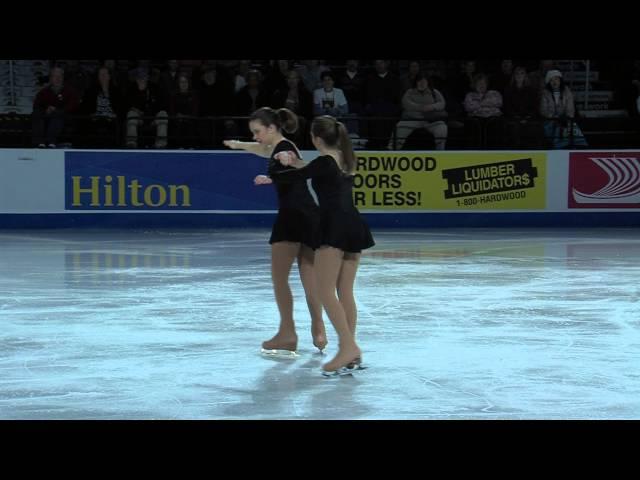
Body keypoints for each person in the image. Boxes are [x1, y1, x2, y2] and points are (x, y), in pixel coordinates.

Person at [272, 115, 375, 376]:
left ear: (315, 139)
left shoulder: (324, 162)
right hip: (353, 223)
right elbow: (312, 168)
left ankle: (348, 348)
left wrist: (278, 167)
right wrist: (294, 161)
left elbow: (300, 174)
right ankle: (351, 353)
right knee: (345, 292)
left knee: (324, 290)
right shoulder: (344, 157)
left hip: (334, 226)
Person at [223, 107, 327, 355]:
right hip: (310, 215)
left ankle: (287, 333)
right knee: (309, 276)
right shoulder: (281, 145)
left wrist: (270, 178)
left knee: (279, 279)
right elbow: (261, 149)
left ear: (271, 128)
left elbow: (286, 168)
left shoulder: (284, 150)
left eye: (258, 131)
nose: (256, 137)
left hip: (292, 216)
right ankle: (319, 330)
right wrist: (239, 145)